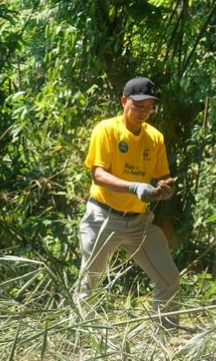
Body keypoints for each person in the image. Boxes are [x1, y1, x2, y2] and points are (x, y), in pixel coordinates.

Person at [75, 77, 180, 327]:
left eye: (149, 106)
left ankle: (164, 340)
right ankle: (77, 340)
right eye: (139, 105)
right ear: (124, 101)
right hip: (103, 218)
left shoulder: (155, 138)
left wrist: (165, 189)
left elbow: (163, 176)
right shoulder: (106, 130)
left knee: (169, 279)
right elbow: (98, 175)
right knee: (89, 283)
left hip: (139, 224)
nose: (145, 111)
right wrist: (134, 187)